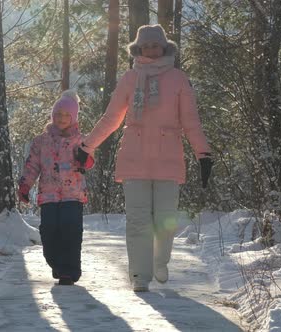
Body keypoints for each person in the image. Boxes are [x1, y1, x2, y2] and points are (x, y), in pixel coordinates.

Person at [76, 24, 213, 292]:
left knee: (165, 219)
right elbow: (112, 118)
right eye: (146, 45)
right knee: (137, 219)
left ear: (164, 47)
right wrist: (87, 145)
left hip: (169, 159)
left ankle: (160, 261)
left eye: (155, 45)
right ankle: (140, 274)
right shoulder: (130, 78)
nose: (151, 49)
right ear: (138, 49)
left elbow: (191, 122)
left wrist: (203, 154)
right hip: (134, 158)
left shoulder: (178, 79)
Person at [17, 90, 94, 286]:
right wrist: (25, 185)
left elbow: (89, 162)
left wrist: (85, 159)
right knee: (48, 231)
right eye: (58, 114)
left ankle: (69, 271)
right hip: (49, 195)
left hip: (73, 194)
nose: (61, 119)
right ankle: (56, 264)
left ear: (73, 118)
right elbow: (32, 165)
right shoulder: (41, 141)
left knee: (71, 230)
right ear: (53, 116)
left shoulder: (81, 140)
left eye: (66, 115)